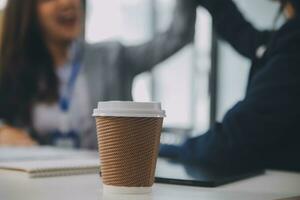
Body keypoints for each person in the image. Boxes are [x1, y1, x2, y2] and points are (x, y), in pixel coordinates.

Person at [0, 0, 196, 148]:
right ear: (28, 11)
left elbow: (176, 36)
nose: (67, 2)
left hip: (106, 182)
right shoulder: (16, 69)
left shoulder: (113, 57)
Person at [160, 0, 300, 171]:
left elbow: (240, 133)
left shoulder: (294, 42)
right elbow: (255, 42)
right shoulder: (288, 34)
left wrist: (179, 149)